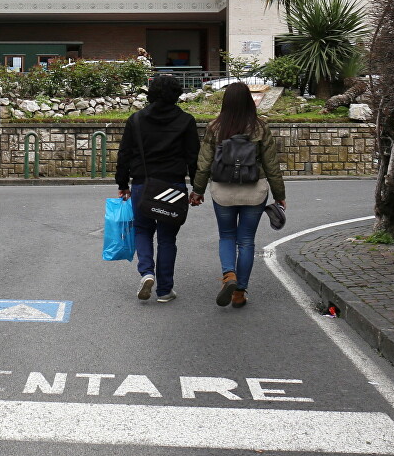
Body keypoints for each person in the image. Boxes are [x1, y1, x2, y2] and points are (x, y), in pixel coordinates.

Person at [189, 81, 285, 309]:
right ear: (249, 102)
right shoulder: (260, 127)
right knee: (246, 241)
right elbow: (272, 164)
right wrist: (279, 194)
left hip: (223, 191)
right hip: (254, 190)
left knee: (226, 236)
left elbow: (204, 163)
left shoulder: (215, 127)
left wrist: (198, 190)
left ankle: (228, 275)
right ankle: (240, 292)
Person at [115, 74, 199, 303]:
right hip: (173, 186)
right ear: (177, 94)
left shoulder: (136, 120)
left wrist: (122, 184)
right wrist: (197, 188)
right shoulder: (186, 121)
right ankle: (164, 290)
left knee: (142, 230)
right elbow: (193, 158)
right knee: (167, 238)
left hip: (143, 184)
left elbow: (124, 155)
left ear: (151, 93)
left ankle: (146, 272)